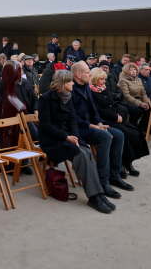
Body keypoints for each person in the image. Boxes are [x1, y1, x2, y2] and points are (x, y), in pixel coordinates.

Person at [38, 69, 115, 214]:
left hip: (68, 137)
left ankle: (98, 193)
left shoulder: (68, 96)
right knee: (80, 153)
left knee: (86, 151)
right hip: (52, 140)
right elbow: (45, 126)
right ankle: (93, 196)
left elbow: (72, 119)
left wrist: (75, 137)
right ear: (62, 83)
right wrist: (67, 137)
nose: (73, 83)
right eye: (70, 81)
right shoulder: (46, 99)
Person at [70, 62, 131, 194]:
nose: (90, 74)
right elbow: (72, 116)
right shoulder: (71, 89)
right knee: (106, 137)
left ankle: (114, 175)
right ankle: (102, 181)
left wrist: (98, 123)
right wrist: (91, 125)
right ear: (78, 74)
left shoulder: (86, 87)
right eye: (87, 72)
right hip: (79, 129)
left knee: (119, 135)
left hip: (91, 126)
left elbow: (94, 110)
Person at [89, 67, 150, 176]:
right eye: (101, 79)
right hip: (104, 120)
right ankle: (121, 163)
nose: (104, 82)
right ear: (94, 79)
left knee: (135, 132)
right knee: (124, 133)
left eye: (104, 79)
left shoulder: (104, 89)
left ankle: (129, 162)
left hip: (114, 117)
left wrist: (120, 114)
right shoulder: (91, 92)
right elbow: (97, 110)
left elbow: (114, 104)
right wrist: (114, 116)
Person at [117, 62, 150, 130]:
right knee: (137, 111)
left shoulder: (138, 79)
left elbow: (143, 93)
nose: (134, 71)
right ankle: (133, 128)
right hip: (128, 102)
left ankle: (142, 126)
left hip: (139, 101)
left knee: (149, 109)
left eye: (135, 69)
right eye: (131, 70)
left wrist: (146, 102)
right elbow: (126, 95)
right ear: (127, 71)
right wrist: (140, 104)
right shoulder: (123, 80)